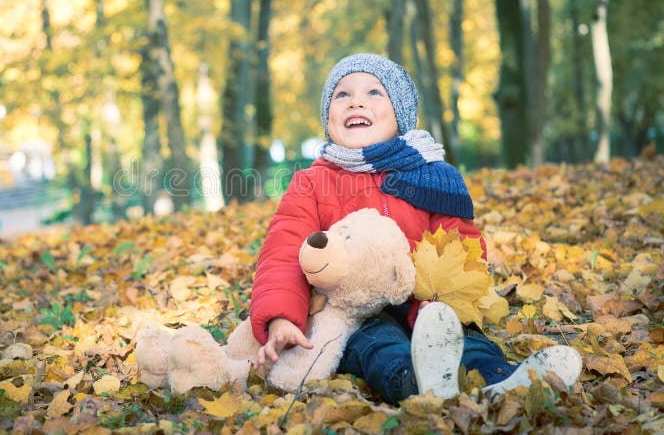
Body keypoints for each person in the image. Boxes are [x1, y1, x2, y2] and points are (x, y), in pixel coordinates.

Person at [249, 53, 581, 402]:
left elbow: (462, 247)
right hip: (355, 311)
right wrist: (281, 319)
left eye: (374, 93)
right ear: (327, 116)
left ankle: (502, 382)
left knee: (465, 338)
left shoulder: (433, 176)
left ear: (401, 116)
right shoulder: (312, 182)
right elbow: (283, 253)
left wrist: (441, 299)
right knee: (376, 346)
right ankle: (413, 382)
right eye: (341, 95)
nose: (356, 101)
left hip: (426, 304)